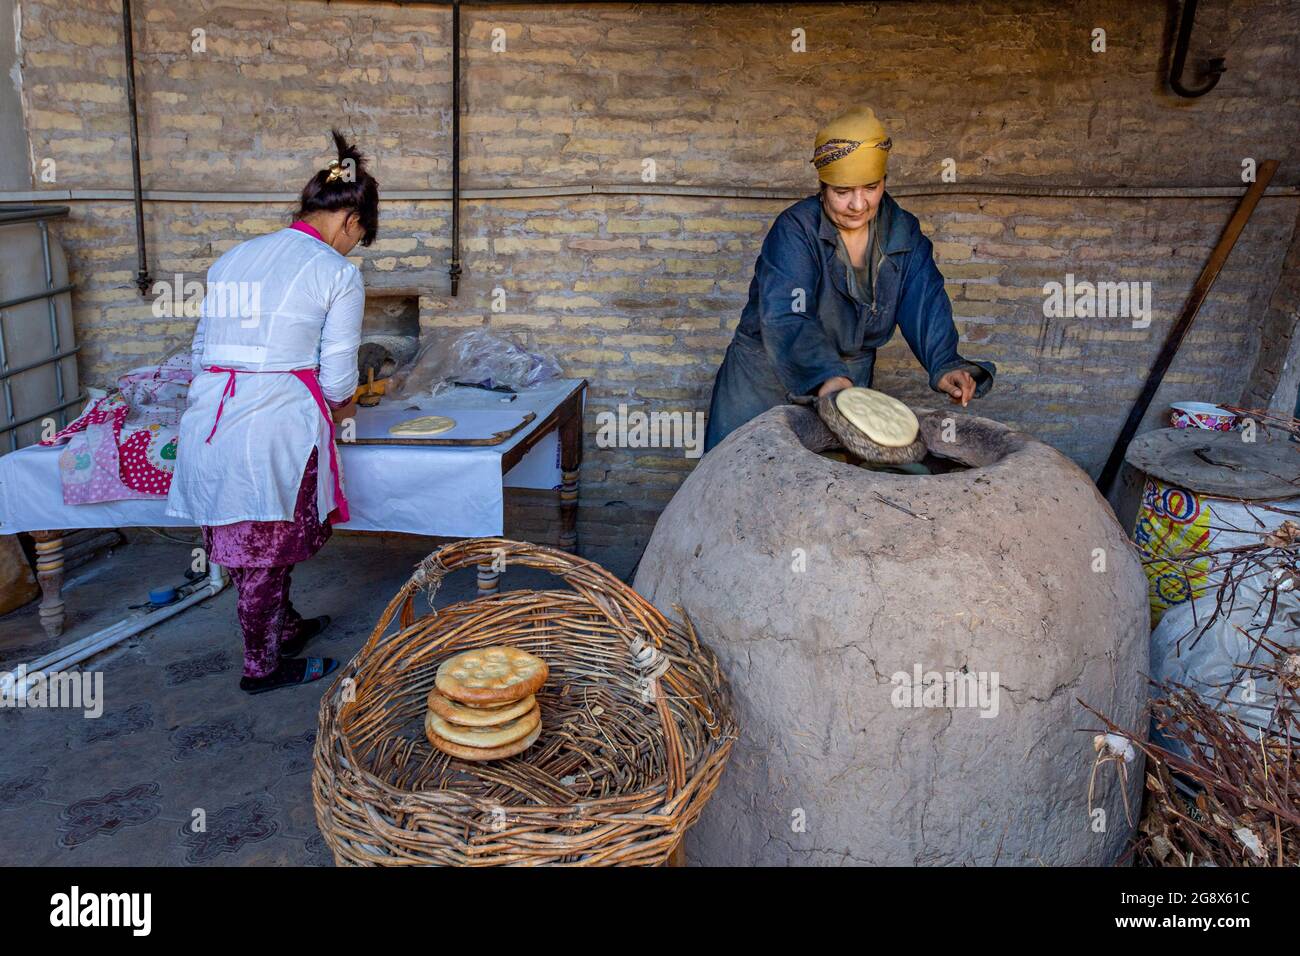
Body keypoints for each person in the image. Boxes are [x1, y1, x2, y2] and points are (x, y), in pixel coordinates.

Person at [167, 130, 377, 694]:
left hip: (212, 413)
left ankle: (283, 628)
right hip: (278, 422)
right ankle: (262, 668)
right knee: (263, 545)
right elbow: (337, 378)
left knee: (250, 536)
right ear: (351, 222)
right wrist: (348, 405)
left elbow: (200, 351)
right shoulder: (337, 273)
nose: (353, 247)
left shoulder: (234, 257)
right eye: (359, 237)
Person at [704, 106, 995, 451]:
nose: (858, 204)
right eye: (843, 192)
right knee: (741, 468)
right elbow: (787, 312)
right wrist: (827, 377)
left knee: (825, 481)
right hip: (764, 374)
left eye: (871, 188)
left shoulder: (902, 232)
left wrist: (944, 362)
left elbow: (925, 301)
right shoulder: (796, 230)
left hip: (848, 374)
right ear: (823, 186)